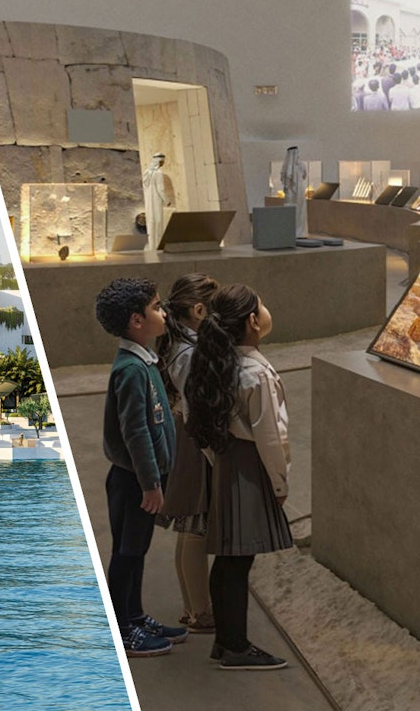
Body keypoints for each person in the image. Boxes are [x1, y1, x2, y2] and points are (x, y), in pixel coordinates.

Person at [184, 283, 293, 671]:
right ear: (252, 321)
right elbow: (271, 436)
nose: (266, 310)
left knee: (231, 559)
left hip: (228, 464)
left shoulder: (218, 362)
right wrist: (279, 484)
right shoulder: (254, 373)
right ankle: (235, 646)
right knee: (237, 560)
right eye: (262, 305)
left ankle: (226, 642)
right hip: (251, 469)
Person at [95, 276, 188, 657]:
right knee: (127, 552)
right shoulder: (132, 370)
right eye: (156, 307)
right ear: (136, 320)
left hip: (143, 480)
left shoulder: (143, 361)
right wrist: (151, 483)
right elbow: (135, 433)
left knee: (138, 549)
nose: (163, 313)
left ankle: (134, 615)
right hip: (133, 481)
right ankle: (122, 628)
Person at [155, 273, 220, 634]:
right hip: (195, 443)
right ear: (198, 310)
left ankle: (192, 607)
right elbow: (198, 406)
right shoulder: (190, 352)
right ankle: (201, 611)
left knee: (188, 529)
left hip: (183, 436)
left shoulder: (175, 343)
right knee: (195, 527)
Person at [142, 153, 171, 250]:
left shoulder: (147, 172)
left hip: (148, 202)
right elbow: (160, 189)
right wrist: (167, 201)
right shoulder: (158, 173)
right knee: (158, 223)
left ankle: (151, 247)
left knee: (151, 223)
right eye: (163, 161)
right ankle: (158, 247)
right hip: (156, 201)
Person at [280, 146, 308, 237]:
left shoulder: (285, 166)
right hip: (297, 190)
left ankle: (296, 231)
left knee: (297, 210)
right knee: (297, 211)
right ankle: (298, 231)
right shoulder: (301, 164)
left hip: (293, 192)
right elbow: (304, 175)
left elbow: (284, 179)